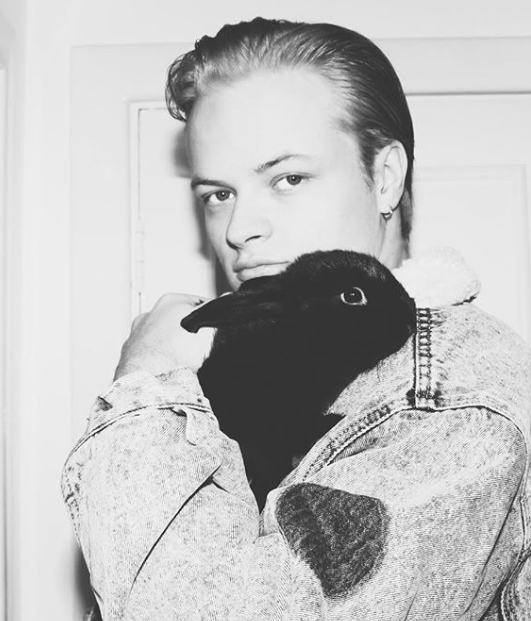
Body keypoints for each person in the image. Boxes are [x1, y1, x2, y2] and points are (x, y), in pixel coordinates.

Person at [62, 17, 531, 620]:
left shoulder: (445, 404)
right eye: (218, 194)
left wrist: (145, 390)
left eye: (288, 178)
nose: (239, 229)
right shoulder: (248, 367)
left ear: (385, 178)